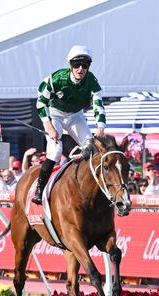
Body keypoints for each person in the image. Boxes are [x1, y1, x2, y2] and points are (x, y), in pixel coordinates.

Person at [32, 45, 106, 204]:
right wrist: (49, 127)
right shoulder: (57, 78)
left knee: (92, 149)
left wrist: (100, 128)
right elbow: (40, 102)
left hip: (75, 116)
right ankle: (39, 188)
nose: (80, 69)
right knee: (56, 151)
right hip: (55, 114)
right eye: (76, 65)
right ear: (70, 65)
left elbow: (98, 106)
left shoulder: (92, 82)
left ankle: (94, 189)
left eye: (84, 65)